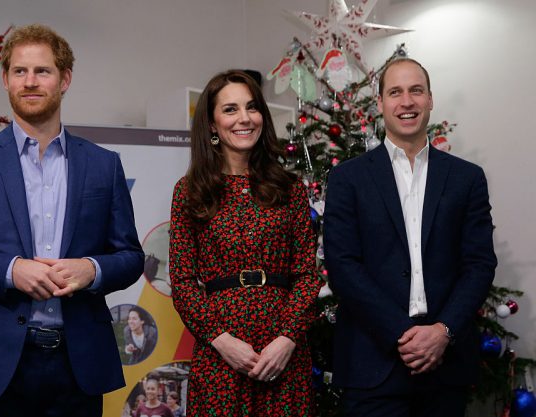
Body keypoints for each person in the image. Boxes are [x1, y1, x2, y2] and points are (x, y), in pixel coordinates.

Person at [0, 24, 144, 417]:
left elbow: (130, 256)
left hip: (78, 366)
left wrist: (91, 269)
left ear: (65, 79)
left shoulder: (103, 165)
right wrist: (10, 270)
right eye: (19, 71)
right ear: (5, 80)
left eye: (43, 71)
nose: (30, 81)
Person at [323, 58, 497, 417]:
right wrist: (404, 333)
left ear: (430, 99)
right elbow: (342, 266)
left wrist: (442, 331)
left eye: (416, 91)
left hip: (445, 365)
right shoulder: (348, 179)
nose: (407, 102)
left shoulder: (467, 179)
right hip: (372, 365)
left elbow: (479, 265)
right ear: (381, 104)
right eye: (395, 92)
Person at [168, 70, 321, 416]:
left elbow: (307, 276)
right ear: (211, 123)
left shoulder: (290, 188)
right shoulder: (190, 191)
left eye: (251, 108)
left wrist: (287, 339)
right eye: (230, 109)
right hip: (221, 350)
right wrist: (222, 341)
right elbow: (182, 282)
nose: (244, 118)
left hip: (284, 351)